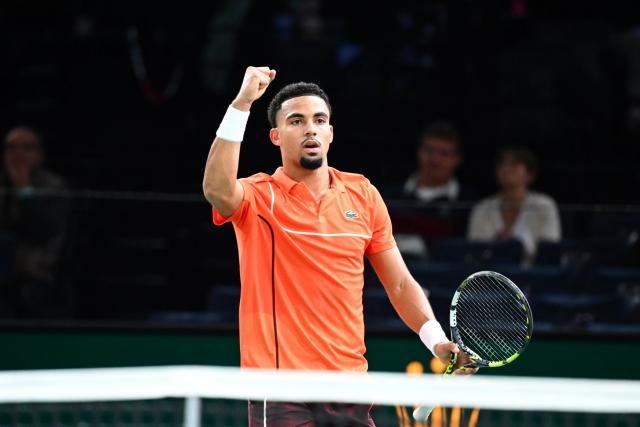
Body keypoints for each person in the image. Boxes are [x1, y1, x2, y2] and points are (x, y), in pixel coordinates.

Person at [202, 66, 477, 426]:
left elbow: (398, 283)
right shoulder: (259, 196)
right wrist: (241, 104)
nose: (310, 128)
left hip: (350, 387)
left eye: (319, 120)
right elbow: (217, 190)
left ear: (330, 133)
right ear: (276, 136)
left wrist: (437, 341)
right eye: (296, 121)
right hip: (282, 387)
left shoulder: (363, 194)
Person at [0, 126, 70, 318]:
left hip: (36, 275)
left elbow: (42, 230)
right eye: (11, 148)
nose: (18, 154)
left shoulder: (54, 186)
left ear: (39, 154)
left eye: (26, 147)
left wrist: (24, 190)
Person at [384, 122, 477, 257]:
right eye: (429, 151)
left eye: (444, 153)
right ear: (419, 152)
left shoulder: (468, 202)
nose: (435, 159)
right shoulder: (390, 197)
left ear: (457, 159)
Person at [467, 146, 561, 263]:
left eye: (514, 164)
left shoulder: (544, 206)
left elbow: (550, 247)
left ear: (530, 174)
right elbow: (474, 249)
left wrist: (518, 244)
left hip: (533, 276)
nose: (506, 168)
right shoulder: (482, 208)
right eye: (502, 164)